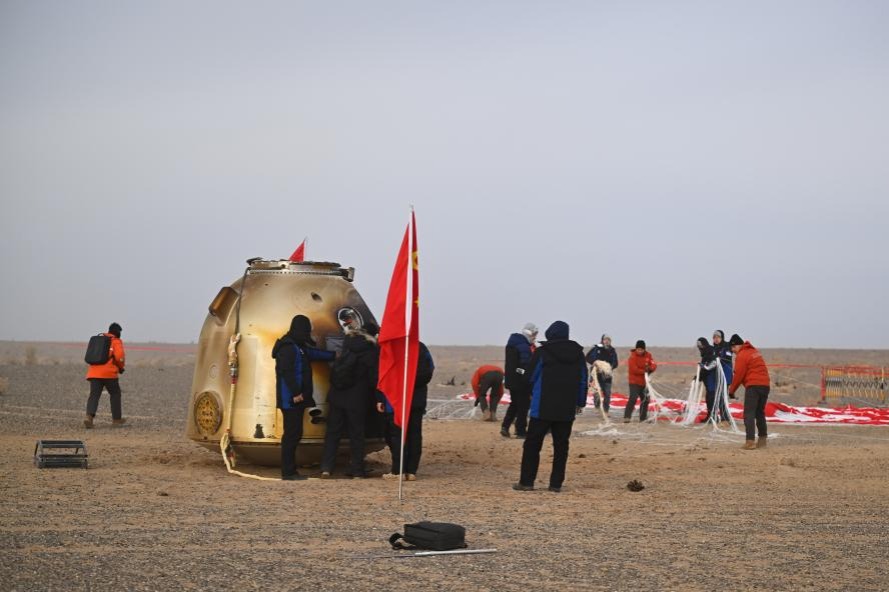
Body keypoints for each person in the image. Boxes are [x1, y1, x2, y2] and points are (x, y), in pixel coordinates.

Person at [513, 321, 587, 493]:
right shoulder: (578, 355)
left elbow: (530, 377)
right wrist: (580, 402)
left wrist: (530, 391)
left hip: (542, 407)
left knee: (532, 445)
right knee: (561, 446)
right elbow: (583, 380)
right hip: (566, 408)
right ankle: (555, 484)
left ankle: (526, 482)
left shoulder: (542, 353)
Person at [272, 314, 335, 480]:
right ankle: (288, 472)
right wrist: (295, 393)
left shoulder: (297, 347)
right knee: (291, 435)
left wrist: (334, 355)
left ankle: (291, 470)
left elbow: (313, 353)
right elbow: (286, 372)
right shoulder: (287, 348)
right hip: (291, 400)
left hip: (295, 400)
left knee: (295, 434)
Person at [319, 324, 379, 479]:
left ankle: (326, 468)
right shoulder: (371, 349)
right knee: (356, 434)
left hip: (337, 395)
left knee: (333, 433)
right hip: (357, 398)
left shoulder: (348, 343)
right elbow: (374, 377)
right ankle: (357, 470)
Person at [377, 342, 434, 480]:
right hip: (416, 398)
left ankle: (398, 471)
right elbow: (428, 371)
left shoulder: (392, 347)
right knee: (414, 434)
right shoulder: (421, 347)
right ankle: (411, 471)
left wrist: (381, 397)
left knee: (397, 435)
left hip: (396, 398)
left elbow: (383, 373)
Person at [727, 334, 771, 450]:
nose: (733, 351)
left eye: (733, 348)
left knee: (749, 414)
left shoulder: (742, 355)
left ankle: (750, 441)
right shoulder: (754, 352)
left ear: (738, 345)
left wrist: (731, 391)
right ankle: (762, 441)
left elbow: (738, 375)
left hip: (754, 386)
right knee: (759, 413)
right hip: (765, 385)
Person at [84, 322, 126, 428]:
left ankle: (89, 417)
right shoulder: (116, 341)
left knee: (94, 395)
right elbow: (119, 357)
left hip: (94, 373)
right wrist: (121, 367)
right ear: (118, 332)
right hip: (109, 374)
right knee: (115, 394)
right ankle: (116, 419)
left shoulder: (99, 340)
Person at [501, 323, 537, 438]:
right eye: (534, 335)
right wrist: (527, 376)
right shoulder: (523, 346)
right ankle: (520, 431)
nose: (535, 338)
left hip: (511, 380)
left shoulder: (512, 344)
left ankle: (505, 426)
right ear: (529, 333)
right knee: (523, 406)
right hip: (520, 382)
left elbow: (515, 366)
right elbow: (524, 365)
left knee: (514, 404)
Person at [624, 340, 657, 422]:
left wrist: (650, 368)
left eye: (641, 349)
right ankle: (627, 417)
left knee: (645, 399)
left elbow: (653, 364)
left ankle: (642, 418)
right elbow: (634, 369)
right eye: (638, 349)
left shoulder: (648, 355)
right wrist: (645, 371)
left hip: (644, 383)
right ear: (636, 349)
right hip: (634, 382)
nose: (640, 351)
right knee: (633, 398)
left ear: (644, 349)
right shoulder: (632, 357)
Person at [585, 334, 619, 412]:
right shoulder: (596, 348)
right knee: (597, 392)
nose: (607, 341)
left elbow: (615, 362)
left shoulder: (612, 351)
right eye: (605, 339)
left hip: (607, 375)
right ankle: (597, 407)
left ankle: (605, 410)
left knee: (607, 393)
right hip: (596, 374)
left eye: (608, 340)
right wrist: (594, 362)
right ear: (602, 340)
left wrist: (609, 367)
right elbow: (587, 357)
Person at [696, 337, 719, 422]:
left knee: (711, 398)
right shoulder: (705, 352)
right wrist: (699, 376)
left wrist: (700, 375)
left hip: (711, 379)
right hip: (708, 380)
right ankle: (710, 416)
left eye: (701, 346)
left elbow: (710, 366)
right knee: (708, 398)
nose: (700, 348)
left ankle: (713, 417)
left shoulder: (710, 351)